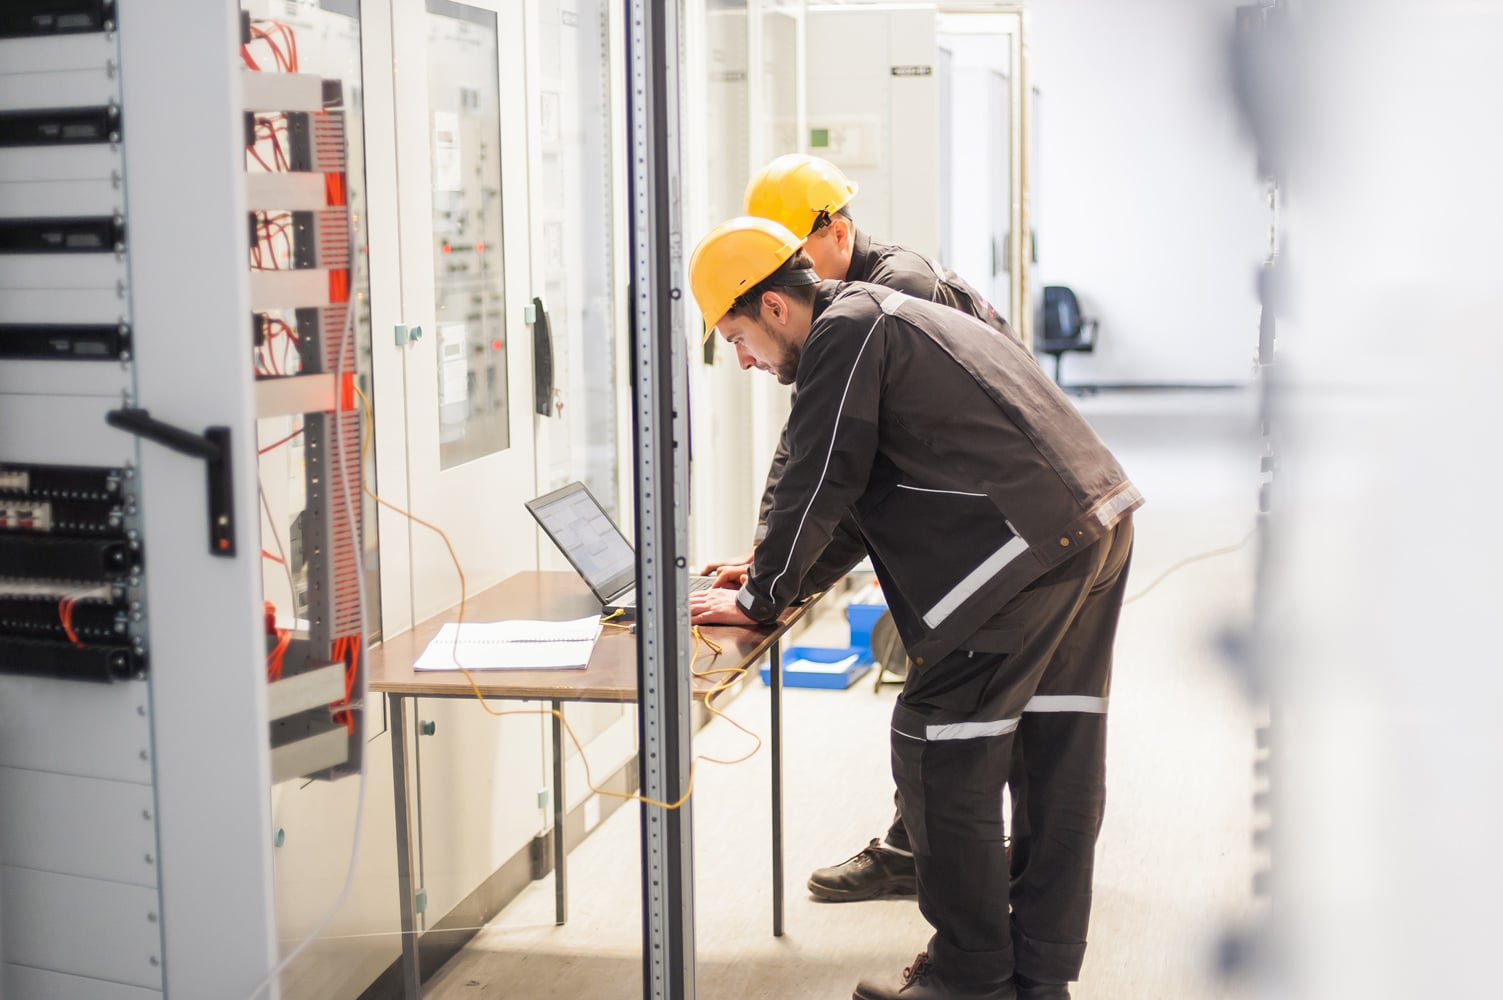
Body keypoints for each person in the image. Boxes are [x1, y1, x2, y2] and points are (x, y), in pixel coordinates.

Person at [688, 217, 1140, 1000]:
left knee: (938, 746)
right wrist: (770, 577)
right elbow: (857, 499)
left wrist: (763, 595)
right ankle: (1039, 974)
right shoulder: (885, 316)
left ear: (772, 307)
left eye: (736, 338)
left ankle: (968, 977)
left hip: (1023, 549)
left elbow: (818, 476)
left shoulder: (845, 332)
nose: (744, 360)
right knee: (1054, 752)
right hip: (1094, 521)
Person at [699, 154, 1021, 906]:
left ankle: (942, 870)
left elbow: (838, 464)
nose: (783, 270)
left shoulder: (885, 297)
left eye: (790, 254)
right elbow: (811, 448)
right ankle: (938, 855)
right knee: (947, 709)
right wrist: (769, 563)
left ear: (835, 234)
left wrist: (773, 584)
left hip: (984, 531)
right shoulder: (854, 299)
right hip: (971, 523)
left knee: (943, 714)